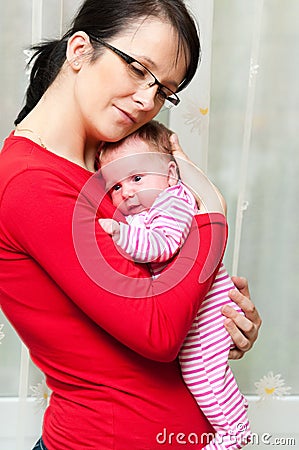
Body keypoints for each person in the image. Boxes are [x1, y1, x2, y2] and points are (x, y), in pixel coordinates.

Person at [0, 1, 261, 449]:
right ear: (80, 50)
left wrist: (216, 321)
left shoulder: (114, 173)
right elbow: (158, 332)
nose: (148, 100)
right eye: (139, 69)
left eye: (164, 90)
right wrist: (213, 220)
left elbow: (166, 300)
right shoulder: (32, 183)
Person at [98, 120, 251, 449]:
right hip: (194, 315)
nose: (126, 192)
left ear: (170, 174)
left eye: (137, 177)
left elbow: (162, 245)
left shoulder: (173, 202)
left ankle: (234, 433)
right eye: (115, 186)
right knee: (205, 378)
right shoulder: (147, 206)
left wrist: (120, 234)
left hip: (205, 320)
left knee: (205, 378)